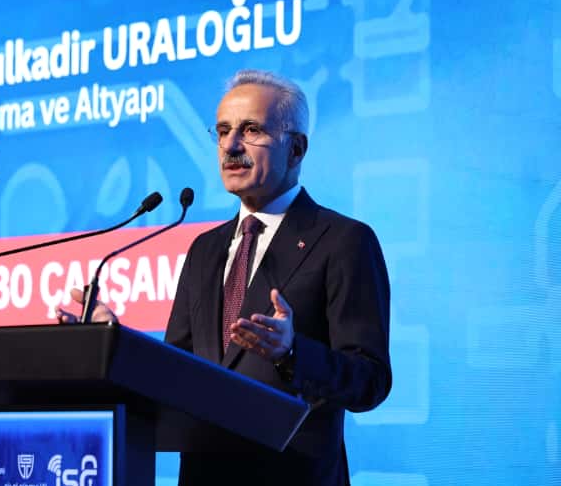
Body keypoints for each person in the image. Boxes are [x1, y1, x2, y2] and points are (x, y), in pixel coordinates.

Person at [65, 69, 391, 485]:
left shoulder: (343, 241)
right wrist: (116, 343)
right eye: (222, 131)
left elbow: (370, 380)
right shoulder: (205, 248)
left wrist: (292, 352)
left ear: (296, 149)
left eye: (251, 130)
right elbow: (176, 371)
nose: (231, 146)